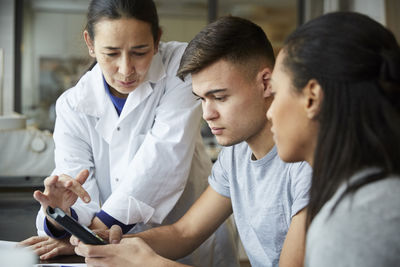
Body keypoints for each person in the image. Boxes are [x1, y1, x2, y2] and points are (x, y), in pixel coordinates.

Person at [72, 16, 312, 267]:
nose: (207, 114)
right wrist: (115, 246)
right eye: (201, 99)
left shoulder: (308, 163)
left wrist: (150, 263)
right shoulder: (236, 154)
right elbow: (184, 233)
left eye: (219, 97)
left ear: (266, 83)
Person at [20, 0, 239, 266]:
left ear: (157, 39)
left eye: (139, 52)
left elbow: (164, 159)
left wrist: (86, 235)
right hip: (108, 252)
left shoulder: (180, 66)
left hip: (187, 244)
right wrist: (60, 216)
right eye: (111, 53)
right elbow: (79, 191)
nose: (125, 70)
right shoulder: (73, 105)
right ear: (90, 43)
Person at [266, 11, 400, 267]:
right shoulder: (378, 194)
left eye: (275, 92)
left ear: (312, 97)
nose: (269, 113)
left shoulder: (354, 225)